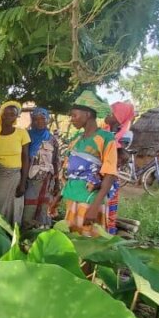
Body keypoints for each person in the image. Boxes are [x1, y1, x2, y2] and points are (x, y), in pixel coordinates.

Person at [57, 90, 117, 237]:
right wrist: (58, 198)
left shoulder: (106, 138)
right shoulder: (77, 139)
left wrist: (95, 207)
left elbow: (109, 174)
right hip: (72, 197)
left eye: (74, 115)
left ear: (88, 114)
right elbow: (70, 173)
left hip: (90, 201)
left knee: (89, 243)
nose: (71, 119)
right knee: (71, 240)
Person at [0, 101, 30, 226]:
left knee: (15, 208)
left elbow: (25, 159)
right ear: (1, 114)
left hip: (15, 177)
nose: (8, 116)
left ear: (16, 117)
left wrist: (23, 183)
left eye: (12, 114)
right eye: (6, 113)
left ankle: (11, 235)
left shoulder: (22, 133)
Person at [22, 107, 61, 229]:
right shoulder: (26, 136)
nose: (39, 122)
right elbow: (23, 158)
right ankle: (27, 233)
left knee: (45, 207)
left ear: (47, 120)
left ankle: (43, 233)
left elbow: (55, 161)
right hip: (30, 180)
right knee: (29, 207)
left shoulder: (52, 139)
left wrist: (57, 183)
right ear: (32, 120)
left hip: (48, 181)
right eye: (36, 119)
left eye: (42, 119)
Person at [103, 101, 136, 235]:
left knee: (107, 209)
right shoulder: (105, 132)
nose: (107, 114)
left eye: (111, 113)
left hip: (107, 180)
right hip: (97, 179)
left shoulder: (122, 137)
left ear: (118, 117)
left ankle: (106, 236)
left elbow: (120, 158)